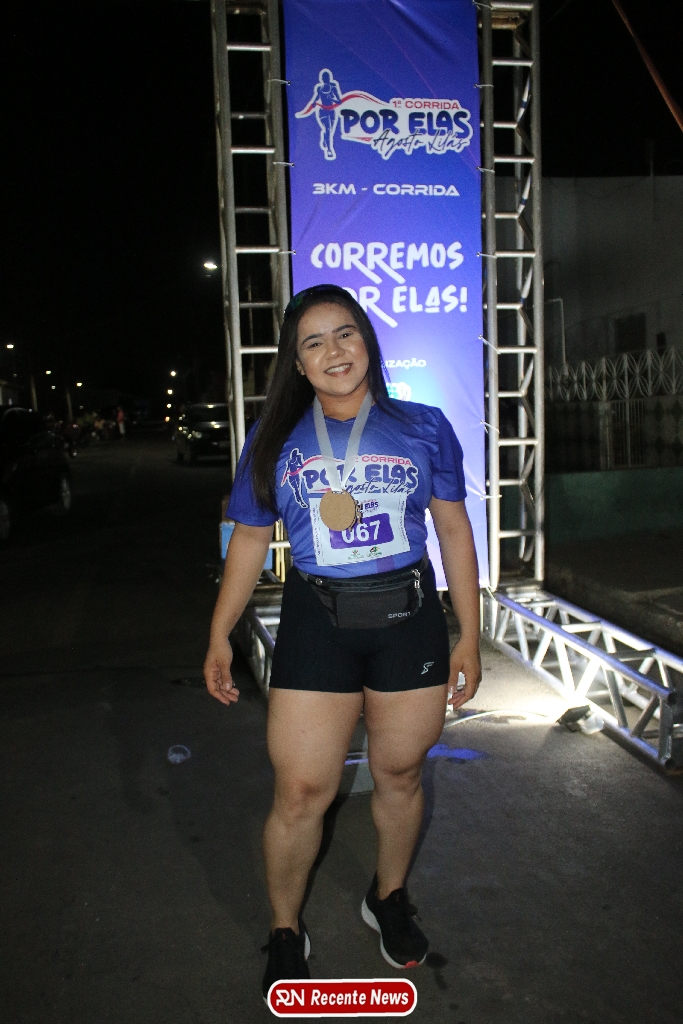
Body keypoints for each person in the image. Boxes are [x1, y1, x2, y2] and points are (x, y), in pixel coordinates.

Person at [203, 284, 481, 999]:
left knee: (401, 774)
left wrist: (469, 635)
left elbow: (453, 530)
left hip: (408, 621)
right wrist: (219, 633)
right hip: (316, 621)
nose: (333, 351)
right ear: (297, 363)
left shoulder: (423, 425)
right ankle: (284, 929)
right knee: (301, 791)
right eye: (314, 341)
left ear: (368, 342)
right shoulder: (274, 438)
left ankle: (387, 896)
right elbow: (249, 540)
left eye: (346, 333)